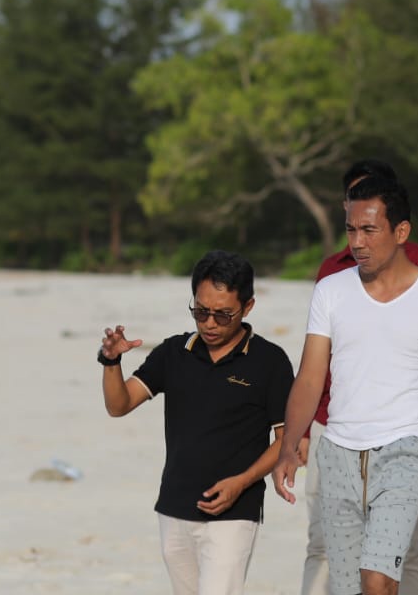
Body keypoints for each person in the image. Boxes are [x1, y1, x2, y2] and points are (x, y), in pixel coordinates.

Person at [275, 176, 418, 595]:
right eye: (350, 229)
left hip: (407, 449)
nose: (357, 242)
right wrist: (289, 445)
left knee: (378, 580)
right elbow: (310, 376)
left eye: (369, 230)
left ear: (401, 231)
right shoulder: (330, 291)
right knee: (349, 588)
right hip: (339, 453)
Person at [98, 250, 295, 595]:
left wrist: (241, 482)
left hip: (235, 512)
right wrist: (110, 361)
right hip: (174, 507)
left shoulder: (270, 362)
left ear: (248, 307)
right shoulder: (173, 353)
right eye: (201, 312)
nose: (209, 323)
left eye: (223, 314)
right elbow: (119, 405)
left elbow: (286, 439)